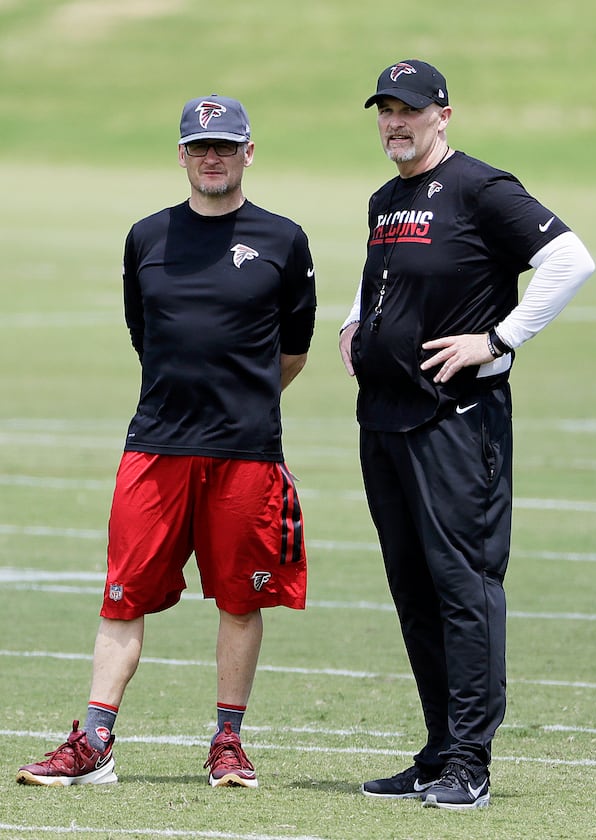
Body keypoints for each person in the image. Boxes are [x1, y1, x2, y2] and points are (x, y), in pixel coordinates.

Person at [17, 94, 316, 789]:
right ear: (181, 155)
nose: (212, 157)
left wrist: (239, 403)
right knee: (123, 595)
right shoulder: (146, 236)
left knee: (240, 599)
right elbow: (142, 333)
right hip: (155, 447)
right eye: (199, 146)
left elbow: (294, 351)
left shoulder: (284, 239)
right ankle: (94, 741)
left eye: (225, 145)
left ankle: (228, 740)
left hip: (246, 452)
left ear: (249, 152)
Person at [339, 60, 594, 810]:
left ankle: (470, 763)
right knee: (413, 591)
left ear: (443, 114)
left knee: (463, 588)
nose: (395, 122)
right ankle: (437, 752)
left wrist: (500, 338)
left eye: (409, 110)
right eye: (385, 110)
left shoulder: (482, 189)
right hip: (384, 420)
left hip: (455, 423)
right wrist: (354, 322)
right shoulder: (387, 199)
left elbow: (570, 259)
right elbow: (383, 276)